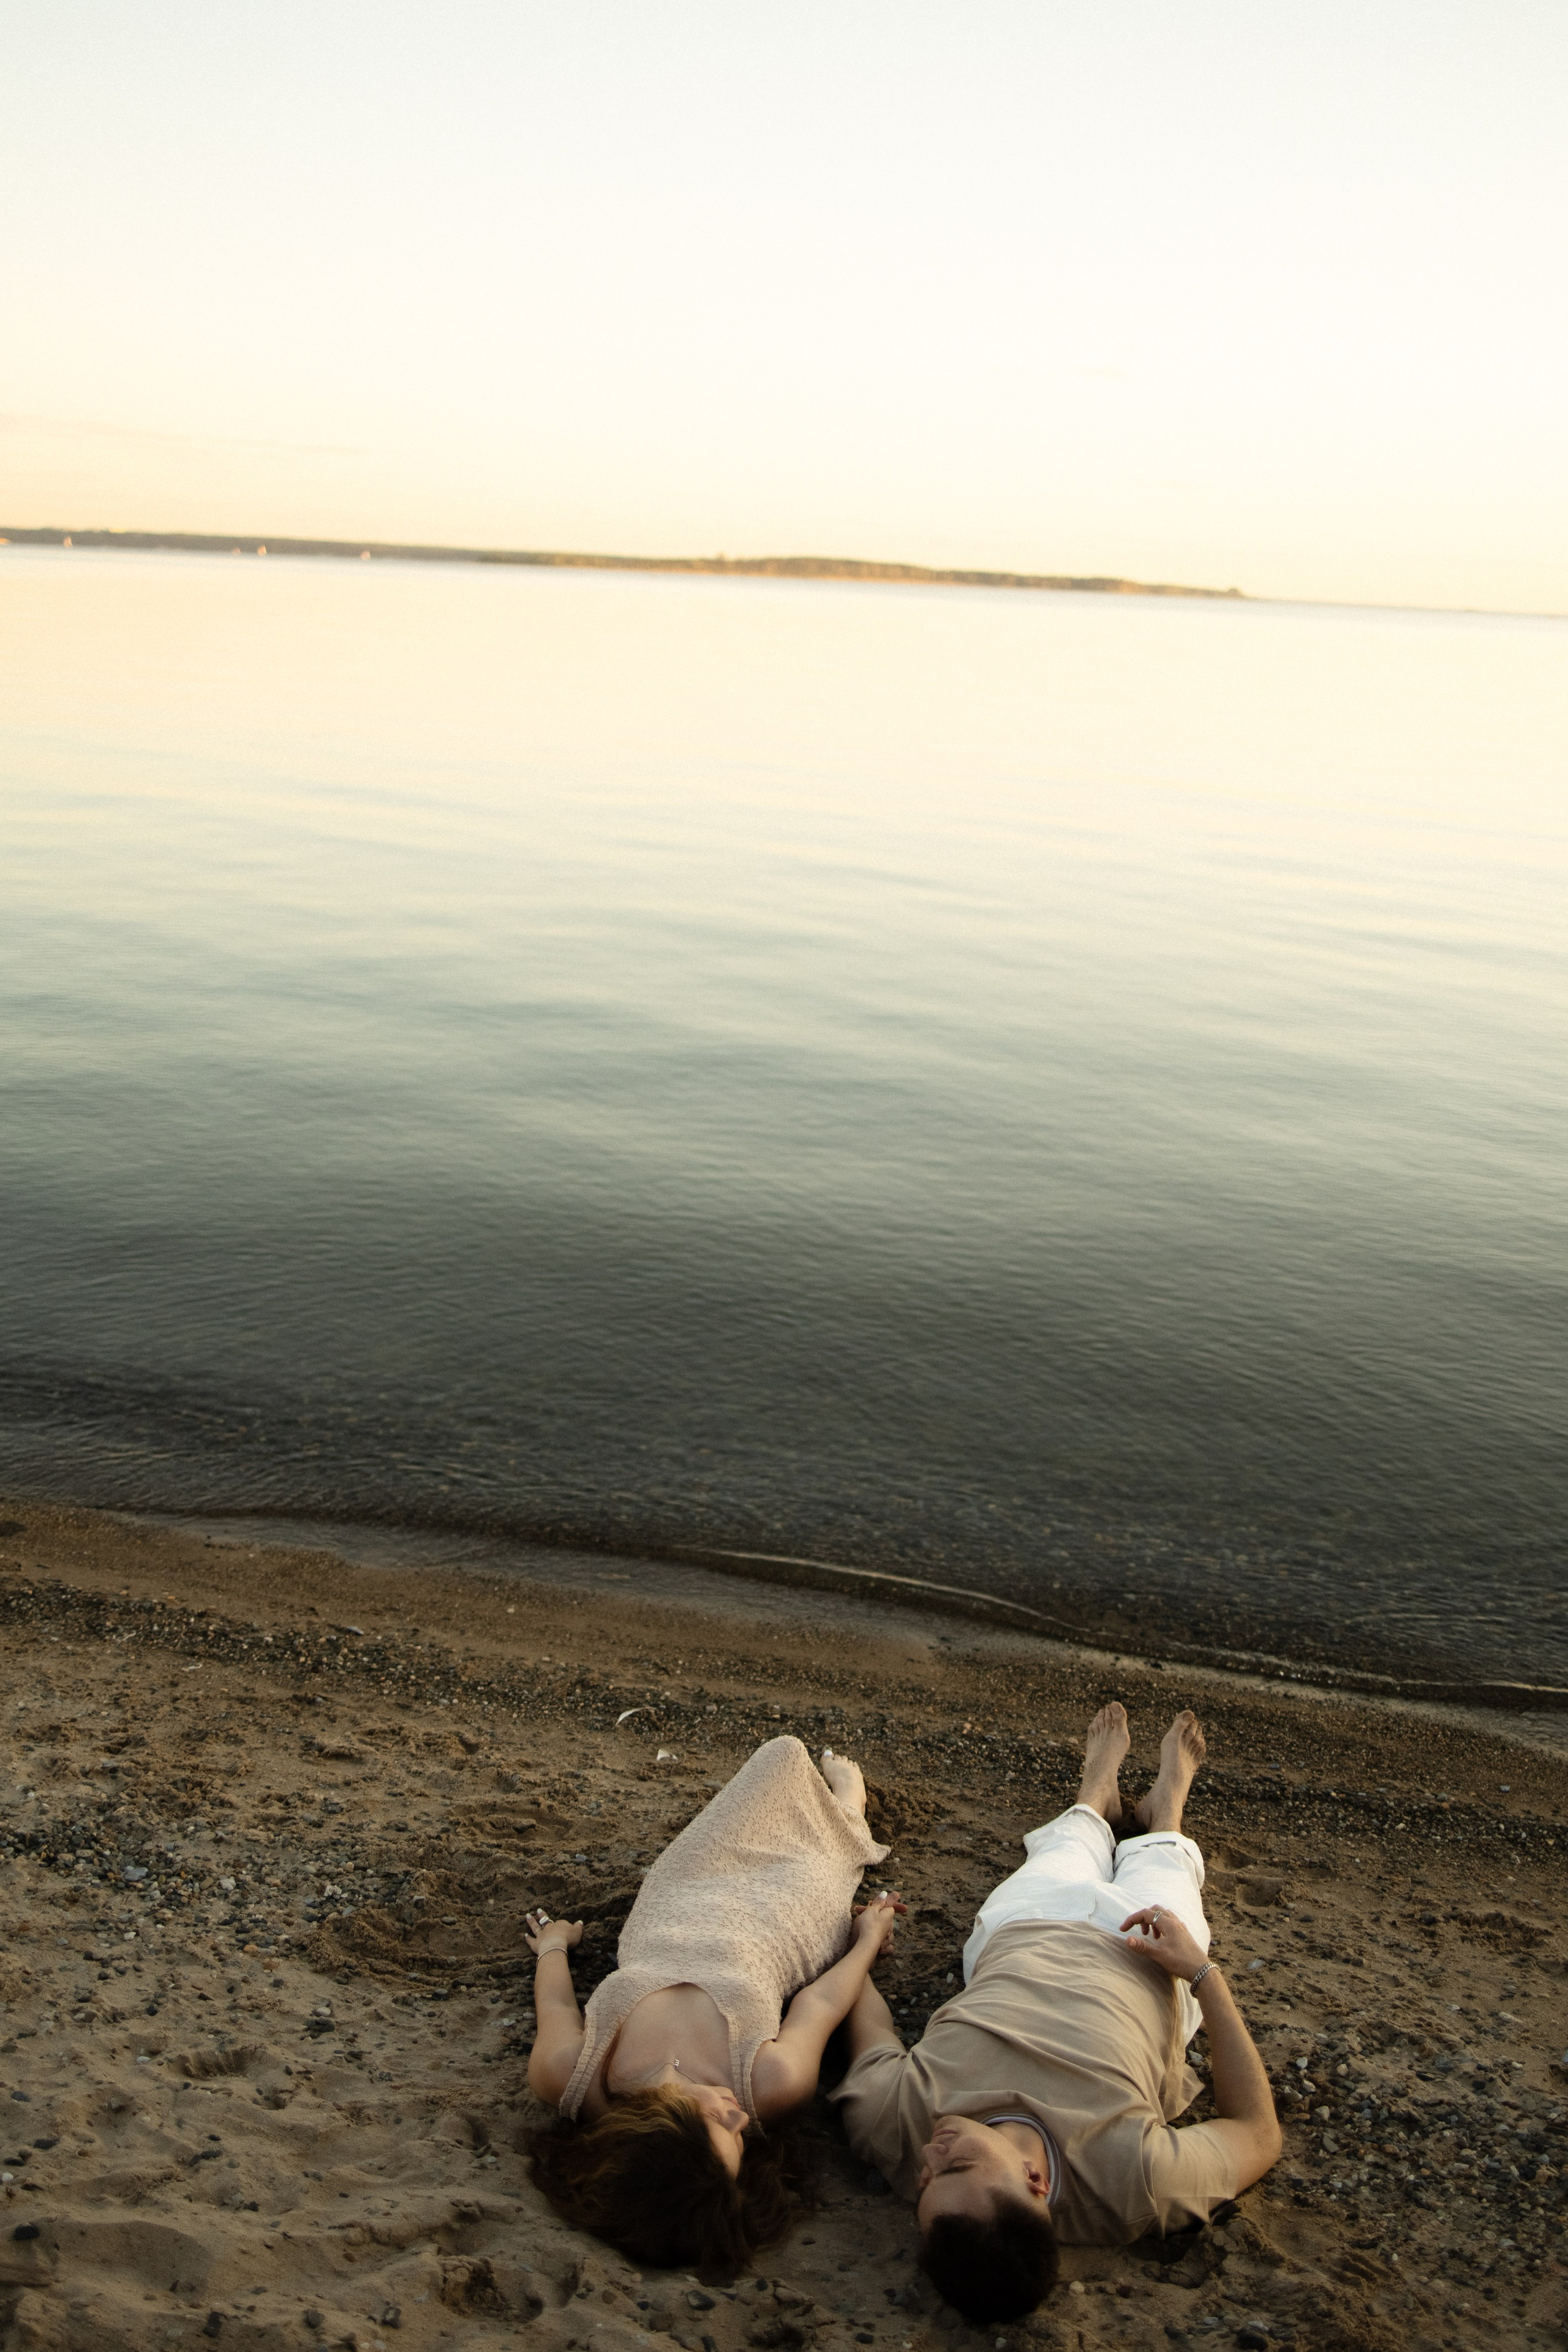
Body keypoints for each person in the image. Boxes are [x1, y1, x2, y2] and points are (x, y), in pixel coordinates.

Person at [829, 1703, 1281, 2323]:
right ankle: (1165, 1808)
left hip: (1026, 1927)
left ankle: (1098, 1790)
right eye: (955, 2165)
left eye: (926, 2187)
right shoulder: (1134, 2183)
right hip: (1149, 1961)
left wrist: (863, 1947)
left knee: (1069, 1842)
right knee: (1167, 1865)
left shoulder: (893, 2128)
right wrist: (1201, 1973)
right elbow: (1258, 2132)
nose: (930, 2157)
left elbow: (872, 2030)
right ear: (1035, 2183)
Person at [525, 1735, 903, 2274]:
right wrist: (866, 1939)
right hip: (782, 1923)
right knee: (817, 1836)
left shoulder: (573, 2076)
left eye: (720, 2128)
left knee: (781, 1755)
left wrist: (554, 1946)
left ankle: (838, 1812)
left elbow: (560, 2010)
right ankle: (850, 1808)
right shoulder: (767, 2084)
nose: (739, 2119)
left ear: (660, 2123)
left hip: (683, 1897)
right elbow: (819, 2002)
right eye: (741, 2144)